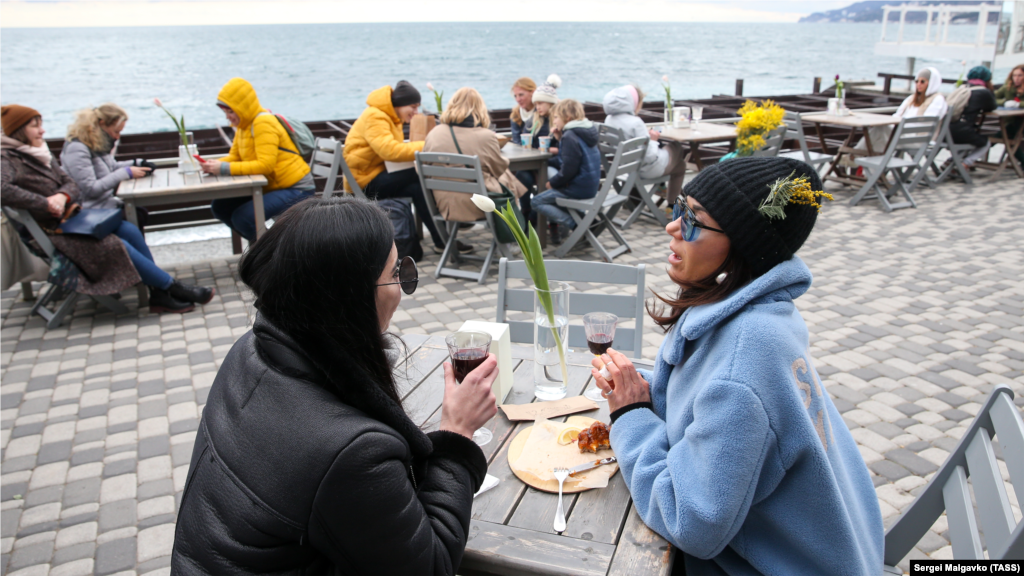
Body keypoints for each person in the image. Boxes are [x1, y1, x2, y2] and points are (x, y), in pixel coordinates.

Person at [170, 196, 497, 575]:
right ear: (349, 298)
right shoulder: (351, 453)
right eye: (395, 274)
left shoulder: (250, 352)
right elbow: (432, 566)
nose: (401, 289)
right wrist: (457, 434)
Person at [591, 157, 883, 576]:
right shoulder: (757, 317)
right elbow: (707, 402)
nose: (672, 227)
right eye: (678, 208)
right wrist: (640, 388)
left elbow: (689, 521)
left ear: (742, 246)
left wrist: (631, 416)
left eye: (693, 220)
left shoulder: (744, 363)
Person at [0, 105, 212, 313]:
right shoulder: (8, 158)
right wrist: (44, 203)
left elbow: (70, 183)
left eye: (41, 125)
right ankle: (172, 287)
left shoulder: (37, 152)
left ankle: (159, 293)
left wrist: (61, 196)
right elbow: (2, 188)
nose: (42, 130)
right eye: (35, 126)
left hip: (70, 220)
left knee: (129, 230)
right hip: (52, 232)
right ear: (19, 130)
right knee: (116, 244)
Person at [344, 81, 468, 255]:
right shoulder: (376, 116)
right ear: (400, 104)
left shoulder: (389, 117)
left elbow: (389, 150)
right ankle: (458, 216)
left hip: (373, 174)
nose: (416, 112)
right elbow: (390, 151)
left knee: (418, 188)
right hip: (364, 182)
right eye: (413, 106)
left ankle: (443, 241)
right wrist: (429, 144)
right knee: (421, 174)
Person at [200, 78, 315, 243]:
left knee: (243, 218)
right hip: (273, 186)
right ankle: (265, 249)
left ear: (243, 107)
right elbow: (235, 157)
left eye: (231, 112)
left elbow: (265, 165)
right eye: (225, 112)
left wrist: (224, 168)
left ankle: (269, 253)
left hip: (297, 188)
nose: (228, 117)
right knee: (220, 207)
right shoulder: (243, 126)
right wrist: (212, 165)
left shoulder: (263, 122)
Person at [423, 87, 527, 224]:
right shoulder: (486, 136)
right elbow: (498, 169)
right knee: (506, 175)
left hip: (445, 205)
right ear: (480, 108)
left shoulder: (434, 134)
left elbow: (422, 170)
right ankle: (520, 224)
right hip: (478, 206)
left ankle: (520, 223)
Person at [60, 103, 157, 216]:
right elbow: (91, 189)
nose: (117, 137)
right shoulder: (77, 148)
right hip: (88, 211)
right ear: (102, 124)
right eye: (116, 132)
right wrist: (127, 173)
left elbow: (112, 167)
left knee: (140, 212)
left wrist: (138, 163)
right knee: (137, 216)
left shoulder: (97, 142)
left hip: (105, 204)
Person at [603, 84, 689, 204]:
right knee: (677, 149)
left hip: (624, 169)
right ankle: (672, 205)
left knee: (675, 161)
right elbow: (650, 157)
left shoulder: (609, 119)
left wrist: (648, 139)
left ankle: (636, 202)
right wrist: (652, 140)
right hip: (646, 170)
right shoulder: (636, 123)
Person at [530, 99, 600, 244]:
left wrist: (552, 183)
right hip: (590, 187)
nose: (553, 121)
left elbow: (568, 170)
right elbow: (570, 160)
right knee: (551, 199)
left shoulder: (570, 136)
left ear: (567, 117)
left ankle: (578, 226)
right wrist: (559, 139)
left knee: (537, 201)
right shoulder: (585, 131)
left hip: (577, 189)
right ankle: (584, 221)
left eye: (555, 117)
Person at [851, 67, 948, 157]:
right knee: (880, 133)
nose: (919, 84)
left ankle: (854, 156)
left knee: (881, 129)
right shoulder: (911, 98)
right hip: (902, 133)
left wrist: (900, 125)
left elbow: (927, 122)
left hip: (919, 139)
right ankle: (872, 169)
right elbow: (897, 116)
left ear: (931, 83)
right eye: (917, 81)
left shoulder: (937, 99)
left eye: (923, 81)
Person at [950, 66, 997, 168]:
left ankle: (950, 162)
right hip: (962, 132)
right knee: (985, 143)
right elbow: (992, 106)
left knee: (968, 140)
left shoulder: (962, 89)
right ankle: (965, 164)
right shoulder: (984, 92)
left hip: (946, 132)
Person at [995, 64, 1024, 167]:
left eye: (1020, 75)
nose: (1016, 78)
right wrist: (1004, 102)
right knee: (1006, 135)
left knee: (1005, 135)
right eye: (1014, 75)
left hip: (1020, 122)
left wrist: (1018, 104)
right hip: (1010, 121)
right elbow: (993, 97)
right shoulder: (1008, 87)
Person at [509, 77, 537, 147]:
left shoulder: (542, 112)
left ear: (532, 92)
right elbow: (517, 142)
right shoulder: (516, 114)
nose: (518, 99)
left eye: (521, 95)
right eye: (515, 96)